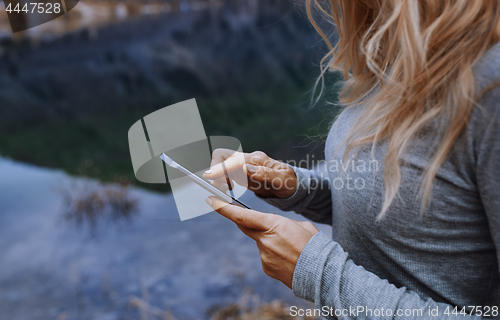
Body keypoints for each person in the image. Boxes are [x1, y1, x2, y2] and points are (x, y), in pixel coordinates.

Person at [203, 0, 500, 318]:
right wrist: (295, 186)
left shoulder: (491, 86)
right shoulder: (396, 55)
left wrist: (321, 275)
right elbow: (412, 209)